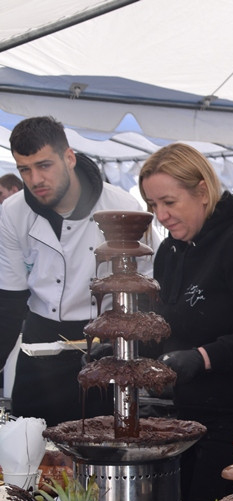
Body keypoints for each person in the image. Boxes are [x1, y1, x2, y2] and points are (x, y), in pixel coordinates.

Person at [138, 143, 233, 501]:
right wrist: (127, 350)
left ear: (203, 191)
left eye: (169, 202)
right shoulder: (170, 253)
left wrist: (203, 357)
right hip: (187, 417)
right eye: (152, 205)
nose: (161, 216)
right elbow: (170, 327)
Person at [0, 116, 148, 426]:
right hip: (38, 342)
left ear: (69, 158)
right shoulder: (11, 213)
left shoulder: (121, 206)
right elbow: (9, 303)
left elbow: (144, 289)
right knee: (30, 450)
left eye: (44, 165)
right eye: (24, 169)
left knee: (100, 445)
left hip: (104, 343)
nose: (35, 179)